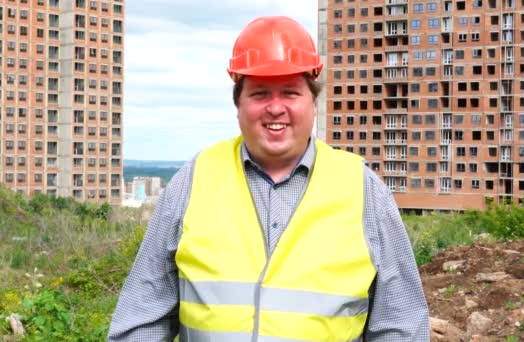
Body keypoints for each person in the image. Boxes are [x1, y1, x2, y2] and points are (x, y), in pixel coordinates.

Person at [108, 16, 429, 341]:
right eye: (260, 94)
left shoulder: (362, 190)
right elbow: (141, 321)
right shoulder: (193, 181)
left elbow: (401, 325)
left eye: (290, 93)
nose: (276, 109)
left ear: (313, 103)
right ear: (238, 105)